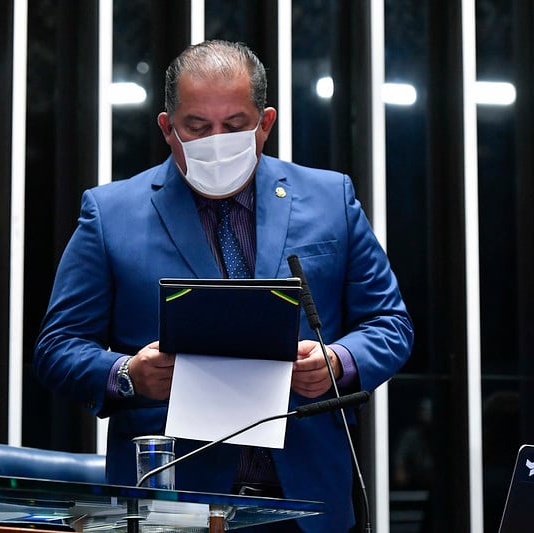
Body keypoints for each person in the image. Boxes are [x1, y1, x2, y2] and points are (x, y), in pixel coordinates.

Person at [34, 40, 413, 533]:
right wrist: (127, 374)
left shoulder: (330, 198)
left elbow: (390, 323)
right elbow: (57, 347)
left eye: (235, 126)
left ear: (265, 124)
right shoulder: (110, 214)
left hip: (306, 498)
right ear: (168, 129)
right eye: (197, 126)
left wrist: (339, 362)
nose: (217, 139)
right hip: (169, 499)